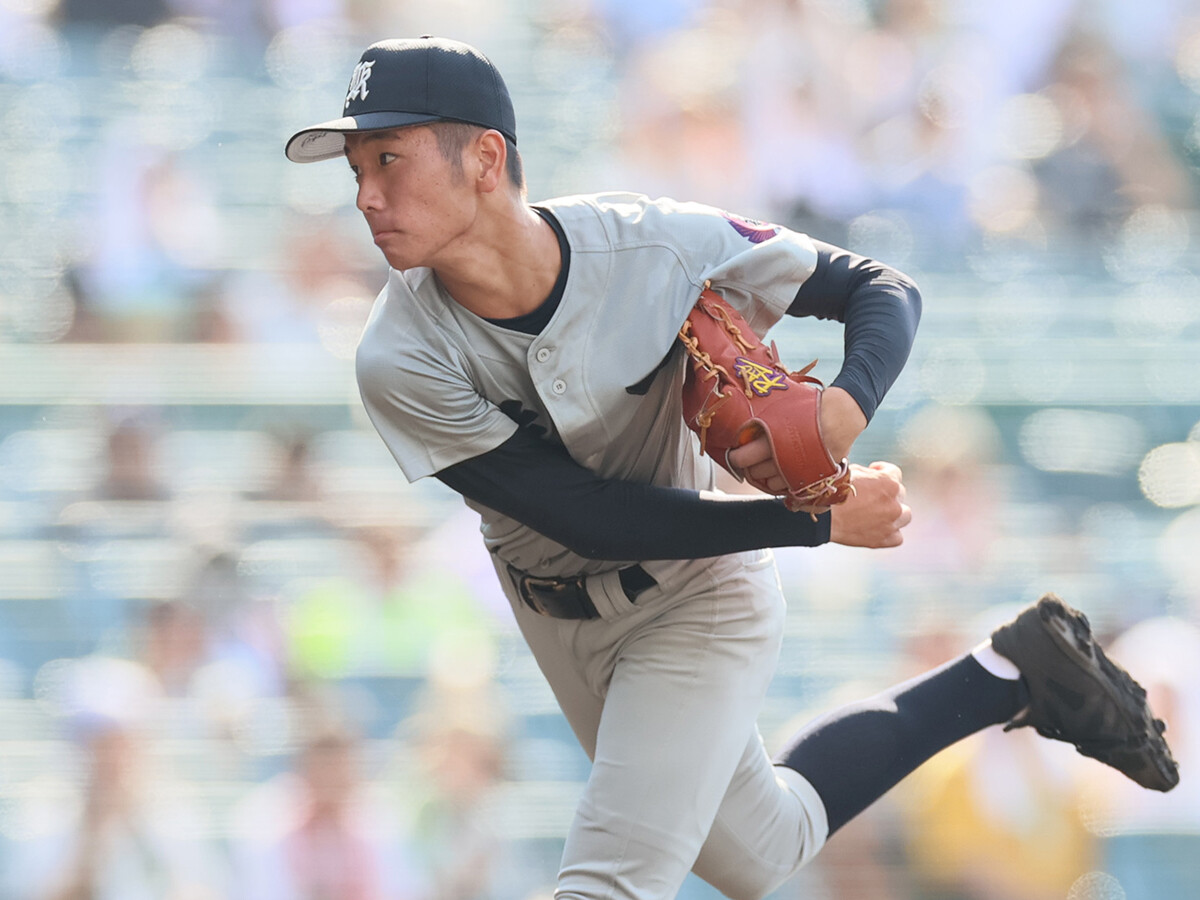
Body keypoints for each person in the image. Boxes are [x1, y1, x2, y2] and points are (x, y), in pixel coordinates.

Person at [284, 36, 1178, 900]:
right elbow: (587, 517)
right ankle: (1013, 673)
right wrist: (818, 523)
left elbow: (881, 290)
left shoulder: (651, 246)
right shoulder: (397, 355)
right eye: (356, 169)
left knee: (605, 883)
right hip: (554, 606)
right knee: (762, 851)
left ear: (484, 158)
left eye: (388, 160)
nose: (365, 195)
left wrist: (843, 409)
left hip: (695, 591)